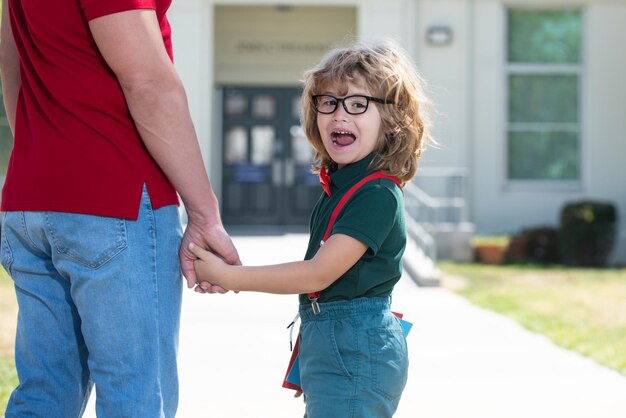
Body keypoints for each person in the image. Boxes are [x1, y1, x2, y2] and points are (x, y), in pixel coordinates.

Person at [0, 0, 239, 416]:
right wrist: (204, 212)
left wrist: (46, 158)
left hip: (32, 195)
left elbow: (10, 61)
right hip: (116, 195)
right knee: (137, 398)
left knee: (44, 395)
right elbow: (148, 82)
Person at [190, 41, 432, 418]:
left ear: (392, 120)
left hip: (356, 349)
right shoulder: (341, 187)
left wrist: (229, 276)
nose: (339, 114)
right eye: (328, 102)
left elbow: (318, 273)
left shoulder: (377, 194)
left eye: (357, 104)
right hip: (338, 346)